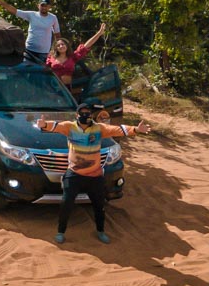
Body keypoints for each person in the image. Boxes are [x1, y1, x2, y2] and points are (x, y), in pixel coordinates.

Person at [36, 102, 150, 244]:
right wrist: (44, 125)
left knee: (99, 206)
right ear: (77, 115)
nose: (86, 116)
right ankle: (60, 232)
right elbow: (55, 126)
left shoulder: (99, 129)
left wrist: (135, 129)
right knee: (66, 203)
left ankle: (101, 231)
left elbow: (117, 129)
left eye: (88, 113)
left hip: (94, 176)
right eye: (83, 113)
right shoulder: (69, 127)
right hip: (74, 174)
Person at [0, 0, 60, 64]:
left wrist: (55, 50)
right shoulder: (32, 15)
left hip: (44, 52)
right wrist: (1, 2)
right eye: (42, 5)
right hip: (29, 50)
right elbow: (15, 11)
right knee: (26, 69)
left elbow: (57, 34)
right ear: (38, 6)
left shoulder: (53, 18)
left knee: (41, 70)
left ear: (49, 7)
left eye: (46, 6)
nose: (44, 7)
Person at [48, 23, 107, 87]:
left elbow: (86, 45)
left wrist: (99, 33)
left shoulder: (73, 57)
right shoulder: (51, 58)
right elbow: (44, 70)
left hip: (67, 88)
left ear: (67, 46)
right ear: (56, 48)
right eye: (58, 45)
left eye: (63, 44)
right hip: (53, 87)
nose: (61, 46)